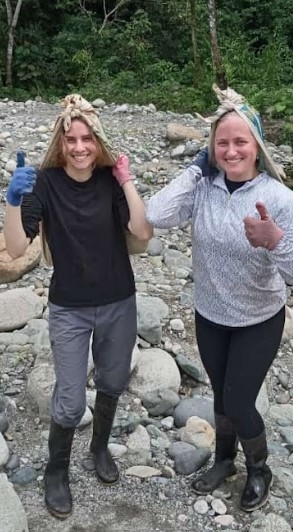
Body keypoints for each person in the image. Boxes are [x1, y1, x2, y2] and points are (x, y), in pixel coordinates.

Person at [146, 85, 293, 512]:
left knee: (239, 401)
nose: (231, 150)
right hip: (210, 315)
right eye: (222, 143)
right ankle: (224, 460)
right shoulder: (203, 188)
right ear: (212, 148)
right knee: (221, 396)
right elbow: (154, 215)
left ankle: (259, 468)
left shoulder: (281, 199)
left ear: (256, 146)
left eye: (241, 141)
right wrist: (195, 168)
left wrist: (274, 239)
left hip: (259, 318)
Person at [4, 94, 153, 519]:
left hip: (118, 301)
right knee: (69, 399)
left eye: (87, 138)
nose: (79, 147)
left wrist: (126, 180)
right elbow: (16, 248)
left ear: (98, 141)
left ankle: (100, 446)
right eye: (71, 139)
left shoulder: (110, 180)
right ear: (60, 142)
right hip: (69, 307)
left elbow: (142, 230)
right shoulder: (46, 182)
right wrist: (13, 201)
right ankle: (56, 471)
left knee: (112, 380)